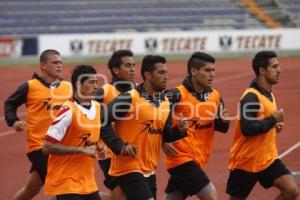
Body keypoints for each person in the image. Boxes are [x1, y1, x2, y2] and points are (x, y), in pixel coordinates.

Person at [101, 55, 188, 200]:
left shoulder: (165, 102)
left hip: (149, 169)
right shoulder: (130, 97)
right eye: (161, 73)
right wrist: (120, 146)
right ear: (147, 75)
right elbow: (101, 119)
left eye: (166, 73)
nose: (166, 76)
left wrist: (178, 131)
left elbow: (164, 135)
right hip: (128, 167)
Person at [226, 51, 299, 200]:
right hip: (246, 161)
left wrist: (273, 127)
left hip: (268, 159)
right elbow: (247, 129)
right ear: (262, 70)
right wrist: (272, 120)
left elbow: (261, 123)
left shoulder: (268, 93)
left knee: (292, 191)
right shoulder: (251, 97)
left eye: (278, 66)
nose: (279, 70)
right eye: (274, 67)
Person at [4, 49, 72, 200]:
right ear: (43, 66)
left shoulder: (68, 87)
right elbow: (10, 104)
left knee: (32, 188)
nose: (59, 65)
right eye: (55, 62)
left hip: (61, 146)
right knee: (61, 187)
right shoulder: (29, 86)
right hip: (39, 147)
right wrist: (13, 120)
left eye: (60, 62)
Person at [163, 52, 230, 200]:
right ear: (193, 71)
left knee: (173, 197)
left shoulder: (215, 96)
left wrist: (224, 121)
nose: (212, 74)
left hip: (199, 159)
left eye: (213, 70)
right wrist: (163, 142)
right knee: (210, 195)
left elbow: (220, 127)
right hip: (180, 158)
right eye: (207, 70)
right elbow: (154, 116)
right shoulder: (175, 94)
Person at [43, 64, 105, 200]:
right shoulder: (67, 111)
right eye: (91, 82)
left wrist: (99, 145)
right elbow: (47, 147)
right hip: (66, 182)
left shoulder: (97, 107)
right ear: (78, 85)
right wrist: (81, 150)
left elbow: (89, 131)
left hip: (88, 183)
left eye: (97, 82)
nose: (96, 87)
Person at [96, 49, 136, 200]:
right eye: (128, 66)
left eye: (133, 65)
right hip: (108, 153)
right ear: (115, 70)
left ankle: (77, 197)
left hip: (131, 152)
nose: (132, 69)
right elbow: (91, 119)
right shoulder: (104, 92)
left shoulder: (138, 90)